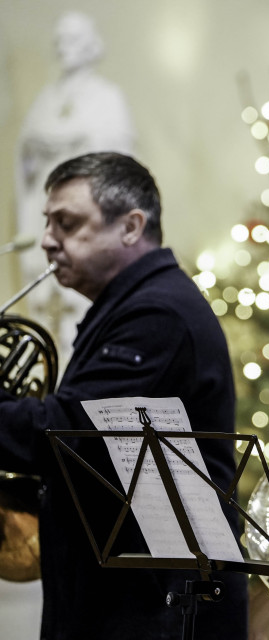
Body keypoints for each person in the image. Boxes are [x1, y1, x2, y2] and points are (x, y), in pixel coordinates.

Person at [0, 152, 248, 640]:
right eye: (47, 223)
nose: (47, 239)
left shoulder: (157, 313)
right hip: (124, 620)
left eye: (67, 223)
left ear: (131, 225)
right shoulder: (131, 304)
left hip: (157, 630)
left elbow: (63, 434)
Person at [15, 10, 136, 373]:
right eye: (59, 41)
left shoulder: (106, 97)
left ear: (89, 44)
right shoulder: (46, 98)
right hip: (47, 202)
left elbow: (118, 156)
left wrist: (70, 143)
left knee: (81, 301)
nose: (62, 48)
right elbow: (26, 153)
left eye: (71, 39)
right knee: (42, 297)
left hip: (85, 216)